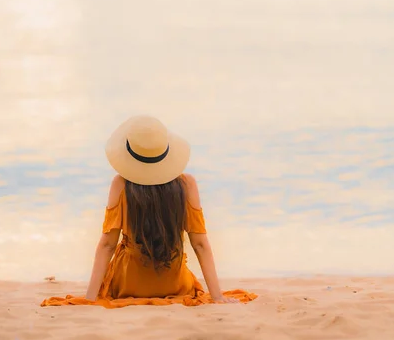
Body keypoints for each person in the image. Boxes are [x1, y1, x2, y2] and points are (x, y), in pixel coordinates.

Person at [41, 115, 257, 308]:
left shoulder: (121, 184)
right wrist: (216, 296)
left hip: (128, 284)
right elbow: (200, 244)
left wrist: (90, 298)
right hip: (175, 284)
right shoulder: (187, 184)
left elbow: (107, 244)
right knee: (184, 271)